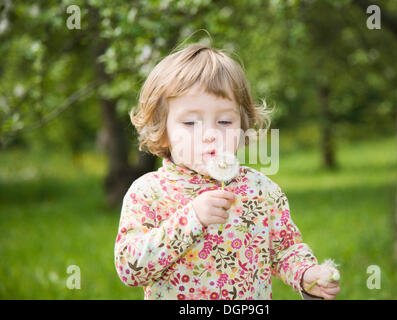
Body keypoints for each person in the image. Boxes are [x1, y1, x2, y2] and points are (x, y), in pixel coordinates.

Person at [114, 43, 340, 300]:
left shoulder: (260, 190)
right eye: (190, 122)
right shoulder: (149, 193)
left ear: (242, 126)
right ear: (162, 130)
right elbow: (130, 268)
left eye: (224, 121)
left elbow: (284, 250)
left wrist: (305, 274)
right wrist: (192, 219)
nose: (211, 134)